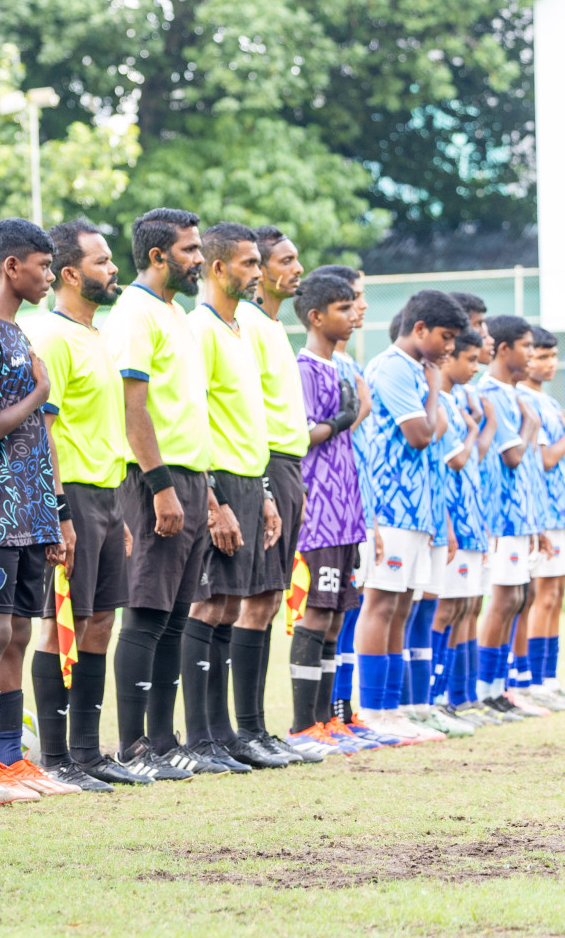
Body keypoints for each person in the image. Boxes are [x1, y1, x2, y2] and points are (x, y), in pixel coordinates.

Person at [0, 218, 73, 801]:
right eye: (43, 266)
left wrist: (54, 509)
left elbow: (41, 439)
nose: (49, 276)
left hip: (31, 515)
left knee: (22, 632)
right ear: (12, 267)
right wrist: (38, 394)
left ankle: (11, 758)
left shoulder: (21, 336)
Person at [24, 219, 142, 790]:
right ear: (71, 274)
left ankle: (89, 752)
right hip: (71, 495)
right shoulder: (50, 337)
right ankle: (55, 756)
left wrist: (117, 508)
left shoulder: (97, 336)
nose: (113, 268)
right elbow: (44, 432)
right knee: (59, 625)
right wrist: (59, 512)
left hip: (107, 496)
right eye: (101, 261)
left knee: (100, 624)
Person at [183, 223, 296, 771]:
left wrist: (267, 491)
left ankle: (229, 733)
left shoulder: (240, 330)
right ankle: (200, 735)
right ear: (219, 268)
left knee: (231, 603)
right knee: (209, 603)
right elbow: (194, 415)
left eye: (259, 263)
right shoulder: (200, 328)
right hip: (220, 480)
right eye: (249, 264)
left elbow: (251, 420)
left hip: (253, 480)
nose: (258, 274)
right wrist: (209, 496)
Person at [104, 208, 212, 781]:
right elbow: (133, 407)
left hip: (193, 481)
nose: (198, 259)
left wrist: (206, 495)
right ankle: (133, 745)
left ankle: (165, 740)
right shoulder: (134, 314)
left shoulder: (178, 315)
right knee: (145, 613)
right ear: (157, 256)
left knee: (174, 616)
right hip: (154, 482)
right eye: (190, 250)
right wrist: (161, 487)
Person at [358, 289, 466, 741]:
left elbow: (437, 441)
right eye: (445, 337)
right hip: (390, 506)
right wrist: (436, 391)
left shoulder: (420, 371)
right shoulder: (393, 368)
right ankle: (371, 710)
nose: (450, 348)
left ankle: (393, 707)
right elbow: (422, 435)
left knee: (401, 606)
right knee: (381, 604)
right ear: (419, 328)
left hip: (419, 510)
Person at [290, 272, 377, 754]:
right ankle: (304, 725)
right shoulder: (302, 368)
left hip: (347, 510)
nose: (352, 316)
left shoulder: (341, 366)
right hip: (318, 508)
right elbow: (296, 436)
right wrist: (335, 422)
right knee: (316, 614)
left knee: (339, 615)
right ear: (317, 316)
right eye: (343, 309)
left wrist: (347, 418)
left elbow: (350, 418)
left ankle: (326, 722)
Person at [238, 227, 311, 756]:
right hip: (265, 469)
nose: (298, 268)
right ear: (258, 270)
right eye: (286, 260)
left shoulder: (271, 326)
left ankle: (257, 727)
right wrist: (263, 484)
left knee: (267, 598)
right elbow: (248, 413)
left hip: (288, 467)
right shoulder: (248, 326)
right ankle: (243, 728)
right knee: (252, 601)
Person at [474, 316, 548, 718]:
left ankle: (498, 688)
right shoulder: (491, 392)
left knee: (518, 598)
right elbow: (514, 456)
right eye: (527, 347)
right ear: (504, 350)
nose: (532, 357)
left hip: (519, 518)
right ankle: (485, 691)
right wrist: (531, 426)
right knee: (502, 601)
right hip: (499, 518)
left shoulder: (512, 392)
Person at [427, 328, 491, 733]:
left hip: (470, 520)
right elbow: (455, 461)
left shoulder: (455, 400)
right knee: (445, 608)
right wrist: (471, 428)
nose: (473, 365)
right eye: (468, 358)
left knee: (466, 606)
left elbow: (473, 461)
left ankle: (457, 695)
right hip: (448, 519)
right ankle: (434, 696)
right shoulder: (444, 403)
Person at [520, 329, 565, 708]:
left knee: (556, 595)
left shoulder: (547, 402)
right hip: (543, 513)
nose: (550, 364)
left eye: (553, 356)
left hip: (559, 511)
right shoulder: (525, 400)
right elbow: (546, 460)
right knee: (541, 595)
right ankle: (533, 679)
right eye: (543, 356)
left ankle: (549, 678)